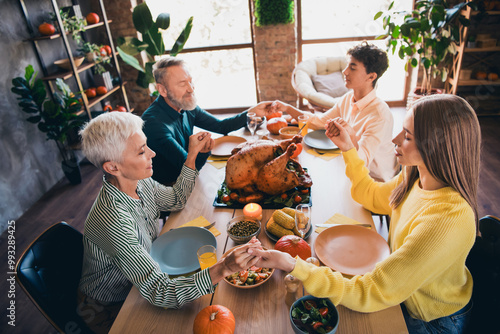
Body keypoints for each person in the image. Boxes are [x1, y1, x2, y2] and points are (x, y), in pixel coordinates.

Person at [249, 94, 480, 333]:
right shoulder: (414, 176)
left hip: (427, 318)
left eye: (408, 136)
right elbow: (369, 195)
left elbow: (369, 292)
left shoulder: (448, 219)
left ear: (437, 146)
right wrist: (348, 148)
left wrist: (292, 264)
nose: (395, 139)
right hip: (398, 289)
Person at [77, 112, 261, 333]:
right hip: (113, 304)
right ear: (113, 167)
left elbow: (176, 199)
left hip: (146, 276)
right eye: (141, 151)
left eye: (147, 146)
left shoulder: (139, 181)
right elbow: (159, 291)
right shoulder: (113, 220)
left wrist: (191, 156)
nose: (152, 154)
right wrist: (224, 268)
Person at [271, 42, 397, 181]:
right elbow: (318, 122)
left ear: (371, 77)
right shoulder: (348, 98)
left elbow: (362, 162)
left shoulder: (380, 116)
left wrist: (350, 135)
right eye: (347, 65)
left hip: (376, 181)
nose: (345, 71)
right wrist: (287, 108)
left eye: (352, 68)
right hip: (350, 169)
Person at [142, 57, 273, 185]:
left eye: (190, 81)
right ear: (162, 90)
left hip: (190, 177)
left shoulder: (185, 106)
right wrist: (203, 151)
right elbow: (187, 168)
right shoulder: (153, 124)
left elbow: (221, 126)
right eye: (182, 84)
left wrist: (252, 112)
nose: (191, 89)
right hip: (169, 189)